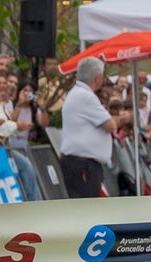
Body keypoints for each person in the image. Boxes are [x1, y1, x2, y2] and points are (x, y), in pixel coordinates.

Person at [58, 56, 118, 199]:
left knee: (85, 206)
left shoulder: (78, 93)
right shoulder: (85, 96)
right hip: (82, 163)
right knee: (86, 208)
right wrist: (125, 118)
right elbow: (110, 125)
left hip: (80, 162)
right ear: (98, 78)